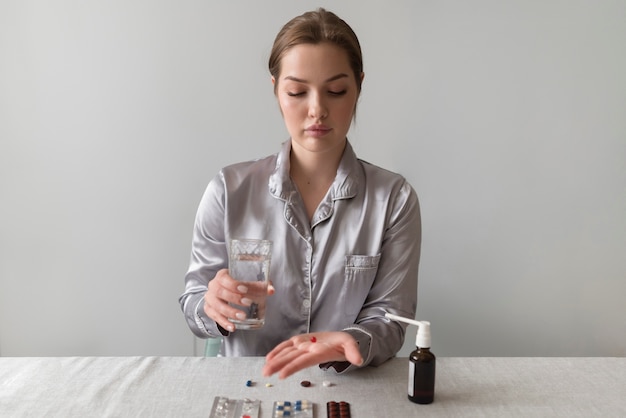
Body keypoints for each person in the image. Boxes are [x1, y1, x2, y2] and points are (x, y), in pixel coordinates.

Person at [179, 8, 421, 379]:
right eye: (297, 91)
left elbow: (389, 319)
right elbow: (194, 300)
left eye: (336, 91)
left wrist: (349, 340)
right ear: (276, 89)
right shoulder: (228, 191)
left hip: (346, 388)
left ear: (358, 86)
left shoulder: (394, 200)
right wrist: (212, 306)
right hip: (249, 387)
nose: (317, 110)